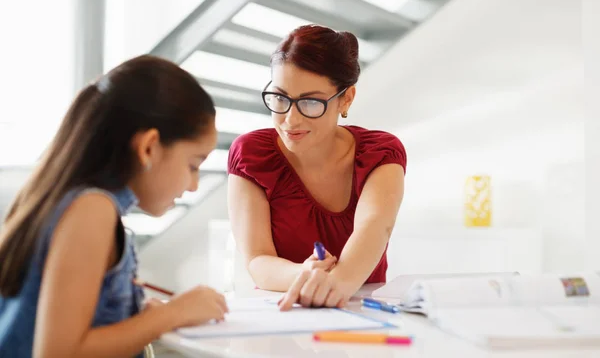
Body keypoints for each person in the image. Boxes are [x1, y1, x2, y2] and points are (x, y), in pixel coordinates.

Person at [0, 55, 228, 357]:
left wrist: (136, 315)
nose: (193, 185)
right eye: (193, 164)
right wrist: (170, 315)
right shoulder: (91, 209)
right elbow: (59, 352)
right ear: (148, 147)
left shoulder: (70, 200)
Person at [227, 25, 407, 311]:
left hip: (363, 317)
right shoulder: (251, 154)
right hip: (283, 316)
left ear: (346, 99)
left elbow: (375, 228)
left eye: (310, 102)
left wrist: (339, 284)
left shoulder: (380, 154)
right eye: (280, 98)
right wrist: (305, 275)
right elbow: (257, 260)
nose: (290, 119)